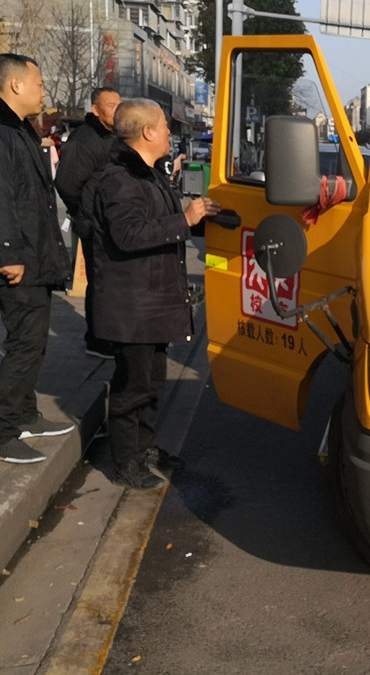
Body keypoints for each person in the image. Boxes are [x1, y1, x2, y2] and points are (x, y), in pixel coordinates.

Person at [89, 99, 220, 490]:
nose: (168, 132)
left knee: (152, 383)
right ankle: (125, 462)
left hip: (154, 302)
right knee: (132, 387)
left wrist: (198, 220)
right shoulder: (119, 179)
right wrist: (185, 219)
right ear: (147, 132)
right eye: (164, 126)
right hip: (133, 306)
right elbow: (129, 235)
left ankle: (145, 449)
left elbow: (160, 224)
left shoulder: (148, 174)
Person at [0, 53, 75, 464]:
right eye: (39, 83)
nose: (44, 91)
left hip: (34, 252)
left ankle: (25, 415)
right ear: (15, 85)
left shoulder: (18, 128)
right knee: (24, 343)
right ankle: (1, 435)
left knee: (34, 340)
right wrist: (7, 253)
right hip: (17, 257)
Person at [55, 86, 122, 359]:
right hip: (94, 224)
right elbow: (66, 184)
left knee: (113, 282)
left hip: (113, 222)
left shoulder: (115, 136)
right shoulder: (84, 139)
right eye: (111, 106)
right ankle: (98, 340)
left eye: (119, 105)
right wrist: (84, 211)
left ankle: (112, 334)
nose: (117, 110)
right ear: (95, 110)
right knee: (101, 283)